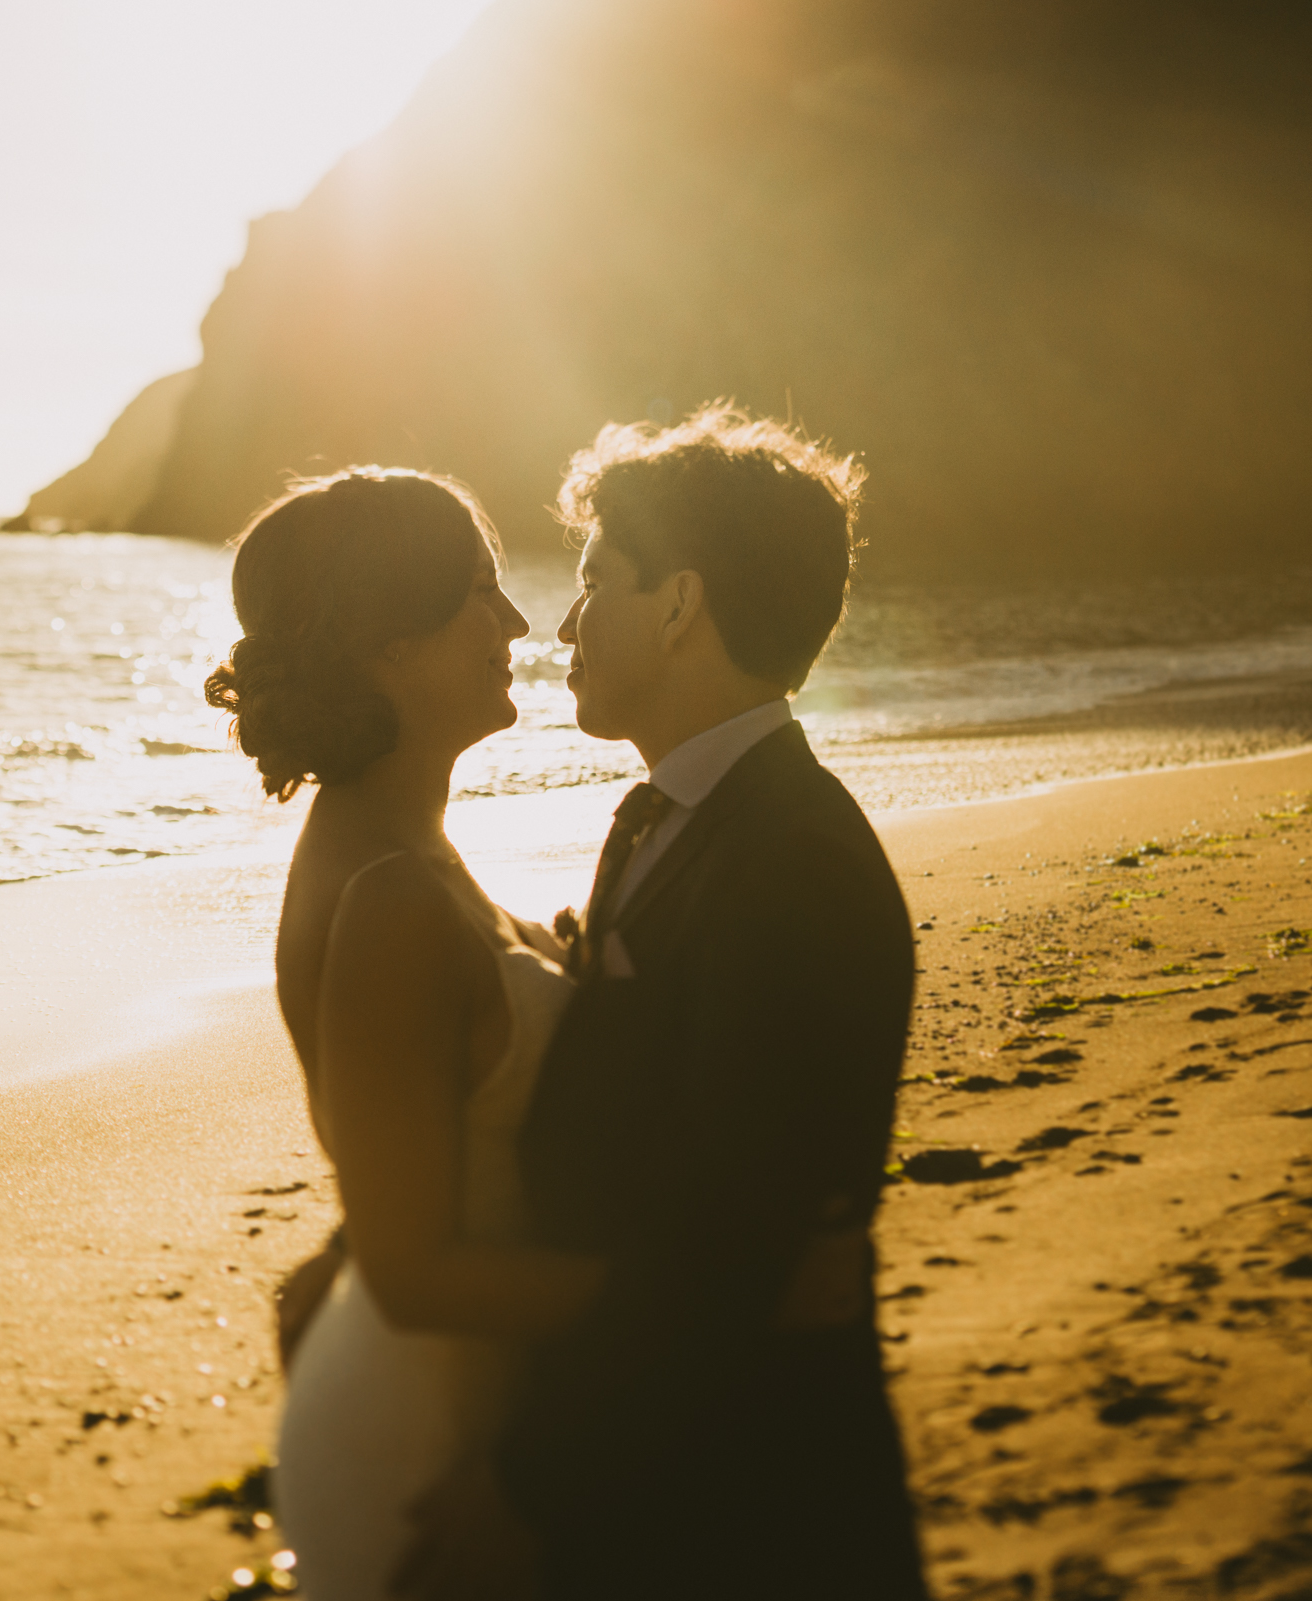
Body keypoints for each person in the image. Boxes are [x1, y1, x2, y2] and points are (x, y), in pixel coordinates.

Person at [425, 406, 930, 1599]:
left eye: (595, 579)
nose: (563, 623)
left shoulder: (794, 857)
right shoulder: (661, 816)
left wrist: (530, 1487)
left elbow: (720, 1252)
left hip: (742, 1495)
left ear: (679, 604)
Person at [205, 468, 602, 1601]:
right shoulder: (385, 891)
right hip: (424, 1433)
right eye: (481, 590)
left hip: (479, 1387)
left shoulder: (406, 845)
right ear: (388, 643)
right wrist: (704, 1292)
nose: (517, 621)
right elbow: (411, 1268)